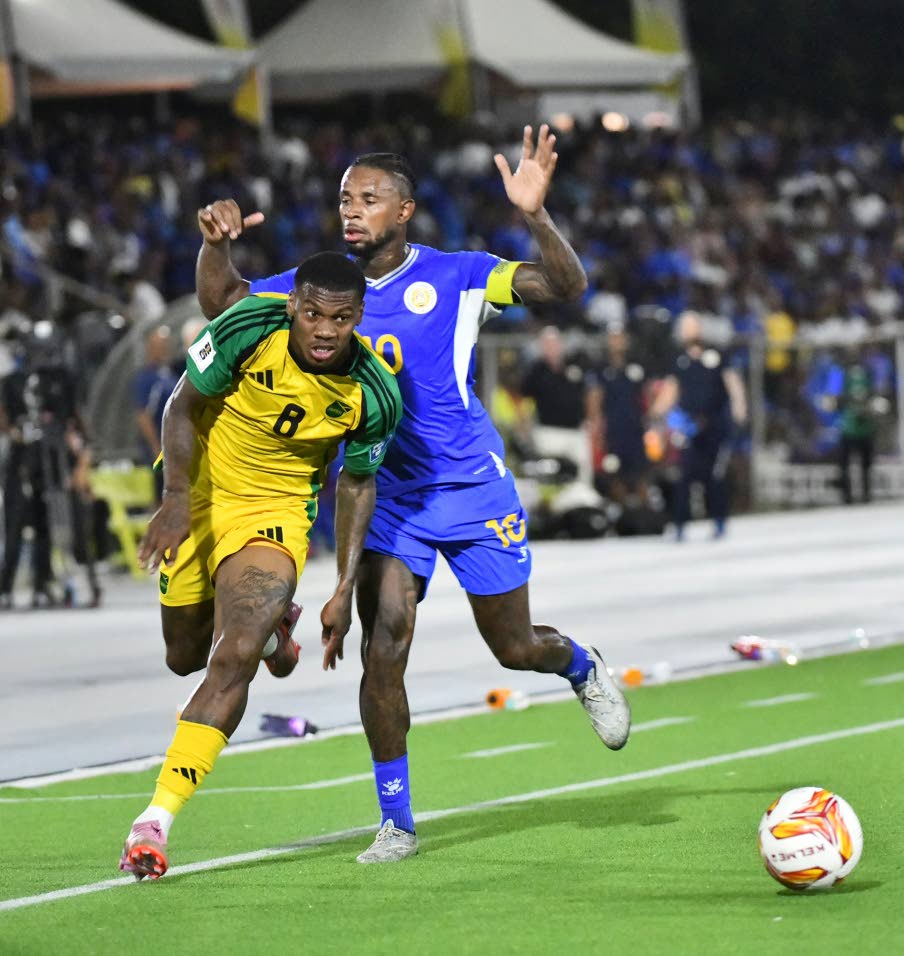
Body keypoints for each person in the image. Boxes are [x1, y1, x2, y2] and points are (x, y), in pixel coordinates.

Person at [196, 126, 631, 865]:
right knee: (385, 645)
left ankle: (580, 666)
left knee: (515, 647)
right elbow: (225, 305)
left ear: (404, 211)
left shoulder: (459, 275)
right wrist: (217, 244)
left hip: (470, 489)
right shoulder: (320, 286)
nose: (352, 211)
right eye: (344, 199)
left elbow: (564, 287)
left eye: (369, 199)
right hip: (387, 496)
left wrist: (533, 214)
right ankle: (396, 820)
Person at [118, 252, 402, 879]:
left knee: (233, 653)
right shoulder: (249, 327)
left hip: (271, 515)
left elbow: (357, 484)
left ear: (359, 316)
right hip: (196, 494)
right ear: (294, 304)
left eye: (341, 318)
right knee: (184, 656)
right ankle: (275, 627)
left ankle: (155, 821)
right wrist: (171, 502)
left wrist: (345, 586)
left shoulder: (374, 391)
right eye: (313, 314)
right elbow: (180, 405)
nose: (325, 330)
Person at [648, 311, 747, 540]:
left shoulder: (717, 355)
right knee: (684, 476)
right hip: (690, 427)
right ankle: (680, 524)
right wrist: (657, 411)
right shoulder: (680, 361)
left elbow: (732, 383)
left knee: (715, 476)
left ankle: (719, 521)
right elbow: (671, 390)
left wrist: (739, 409)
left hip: (715, 425)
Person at [521, 326, 599, 486]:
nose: (552, 347)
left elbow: (590, 393)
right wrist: (525, 425)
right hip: (548, 431)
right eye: (547, 344)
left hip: (576, 431)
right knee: (551, 476)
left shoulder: (575, 366)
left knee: (582, 475)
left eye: (555, 343)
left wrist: (593, 419)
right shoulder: (536, 371)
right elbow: (525, 401)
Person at [133, 325, 178, 502]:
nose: (163, 349)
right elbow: (143, 415)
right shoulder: (146, 379)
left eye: (165, 345)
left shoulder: (170, 374)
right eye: (158, 345)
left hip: (175, 445)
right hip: (160, 448)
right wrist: (155, 447)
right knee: (162, 494)